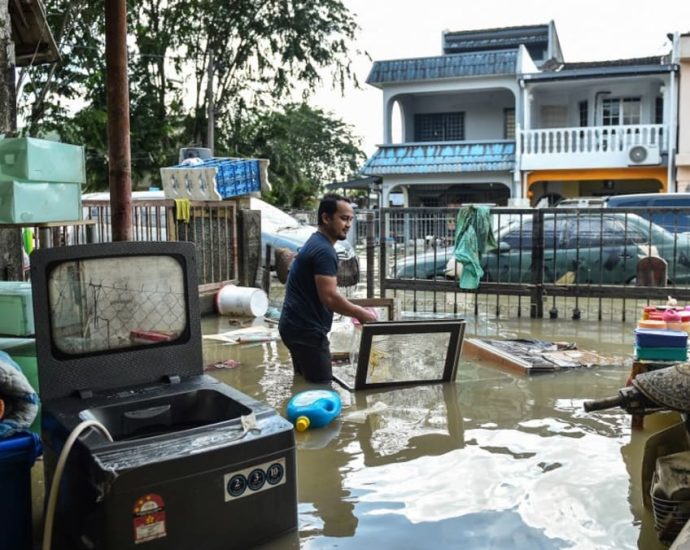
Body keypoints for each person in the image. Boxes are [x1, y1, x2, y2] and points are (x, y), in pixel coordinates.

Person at [279, 194, 377, 383]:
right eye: (343, 218)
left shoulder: (315, 242)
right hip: (306, 331)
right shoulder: (325, 251)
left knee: (302, 384)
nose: (348, 224)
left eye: (350, 219)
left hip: (293, 326)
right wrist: (362, 314)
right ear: (326, 218)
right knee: (322, 388)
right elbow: (330, 297)